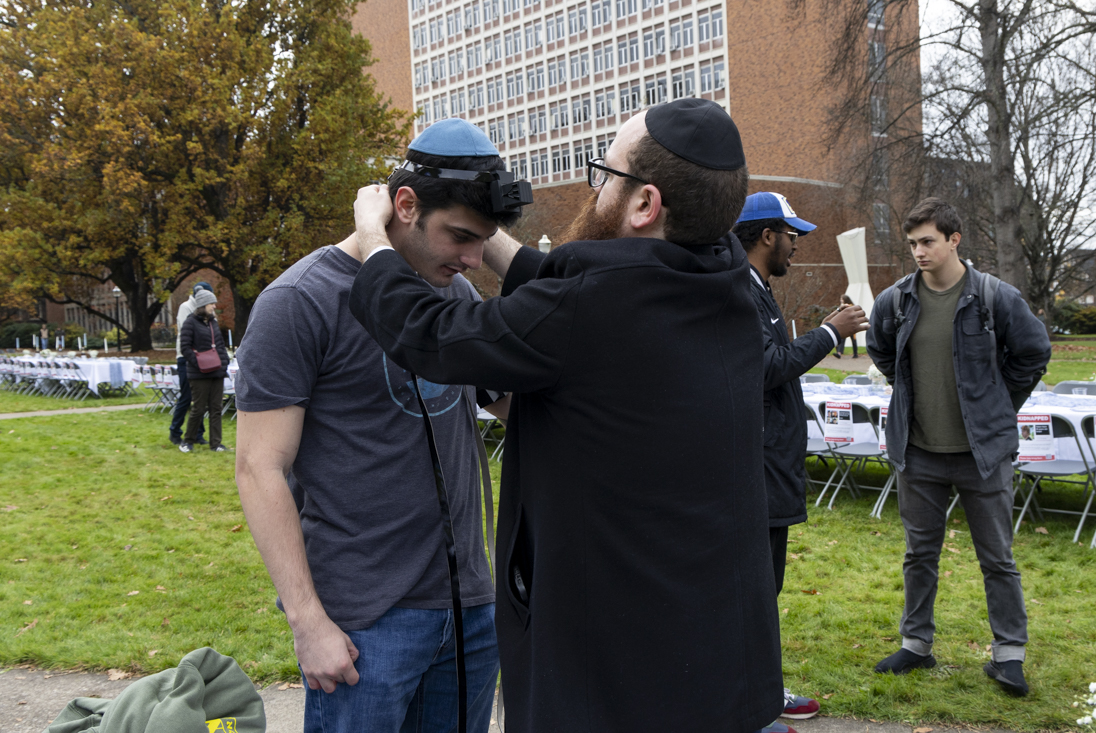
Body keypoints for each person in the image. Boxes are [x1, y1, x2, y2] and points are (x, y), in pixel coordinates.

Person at [347, 98, 783, 733]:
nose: (597, 187)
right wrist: (485, 228)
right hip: (714, 660)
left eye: (605, 175)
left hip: (614, 674)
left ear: (644, 204)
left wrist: (371, 239)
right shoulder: (728, 285)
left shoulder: (590, 309)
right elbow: (563, 280)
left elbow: (431, 333)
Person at [233, 118, 515, 733]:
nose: (473, 259)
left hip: (469, 610)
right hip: (364, 624)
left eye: (484, 241)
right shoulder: (300, 302)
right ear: (405, 206)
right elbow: (259, 468)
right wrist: (308, 623)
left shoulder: (456, 294)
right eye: (462, 237)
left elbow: (518, 402)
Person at [866, 197, 1050, 696]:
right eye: (912, 244)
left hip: (982, 453)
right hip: (918, 452)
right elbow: (881, 349)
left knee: (998, 558)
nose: (919, 252)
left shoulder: (995, 297)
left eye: (928, 241)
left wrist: (998, 403)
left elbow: (1034, 352)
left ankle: (1009, 655)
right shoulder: (896, 300)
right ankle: (916, 644)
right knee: (918, 554)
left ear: (954, 239)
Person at [731, 191, 870, 732]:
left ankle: (757, 690)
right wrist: (830, 331)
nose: (796, 245)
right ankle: (756, 702)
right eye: (792, 235)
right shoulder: (741, 292)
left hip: (770, 469)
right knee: (757, 590)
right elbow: (768, 366)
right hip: (757, 472)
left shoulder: (757, 290)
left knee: (765, 588)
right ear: (767, 236)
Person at [178, 289, 230, 453]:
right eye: (211, 303)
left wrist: (224, 364)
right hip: (198, 374)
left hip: (217, 372)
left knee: (216, 408)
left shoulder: (213, 322)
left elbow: (220, 346)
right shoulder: (190, 322)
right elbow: (185, 348)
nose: (214, 306)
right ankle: (187, 441)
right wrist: (199, 363)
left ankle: (216, 444)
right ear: (202, 305)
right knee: (198, 409)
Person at [169, 282, 212, 446]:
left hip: (201, 358)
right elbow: (189, 331)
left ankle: (198, 434)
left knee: (199, 398)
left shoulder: (207, 310)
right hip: (186, 358)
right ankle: (175, 431)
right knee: (187, 397)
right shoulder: (185, 307)